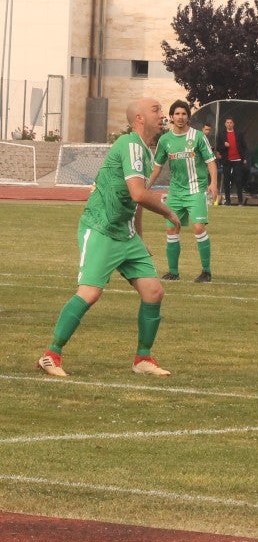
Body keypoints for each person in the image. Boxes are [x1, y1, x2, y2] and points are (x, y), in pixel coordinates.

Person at [36, 97, 181, 378]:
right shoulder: (129, 145)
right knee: (90, 293)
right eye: (156, 110)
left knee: (154, 292)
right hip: (101, 228)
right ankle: (50, 355)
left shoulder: (144, 151)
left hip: (125, 235)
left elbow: (133, 201)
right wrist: (168, 212)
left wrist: (139, 239)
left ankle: (143, 359)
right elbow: (139, 194)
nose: (162, 114)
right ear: (139, 118)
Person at [148, 100, 217, 282]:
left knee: (198, 227)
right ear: (171, 117)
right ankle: (173, 272)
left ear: (188, 116)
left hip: (196, 190)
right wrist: (145, 186)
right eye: (177, 114)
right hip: (176, 193)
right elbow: (157, 167)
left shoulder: (198, 137)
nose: (180, 117)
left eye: (184, 114)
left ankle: (206, 271)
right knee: (171, 230)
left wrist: (214, 184)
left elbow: (210, 161)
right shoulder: (165, 140)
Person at [215, 116, 249, 205]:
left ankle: (240, 201)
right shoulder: (221, 134)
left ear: (233, 124)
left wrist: (244, 158)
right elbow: (218, 148)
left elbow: (244, 146)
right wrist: (224, 145)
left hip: (237, 160)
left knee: (238, 180)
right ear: (225, 124)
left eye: (230, 122)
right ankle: (228, 201)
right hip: (226, 160)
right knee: (226, 180)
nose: (229, 124)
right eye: (227, 122)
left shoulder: (239, 133)